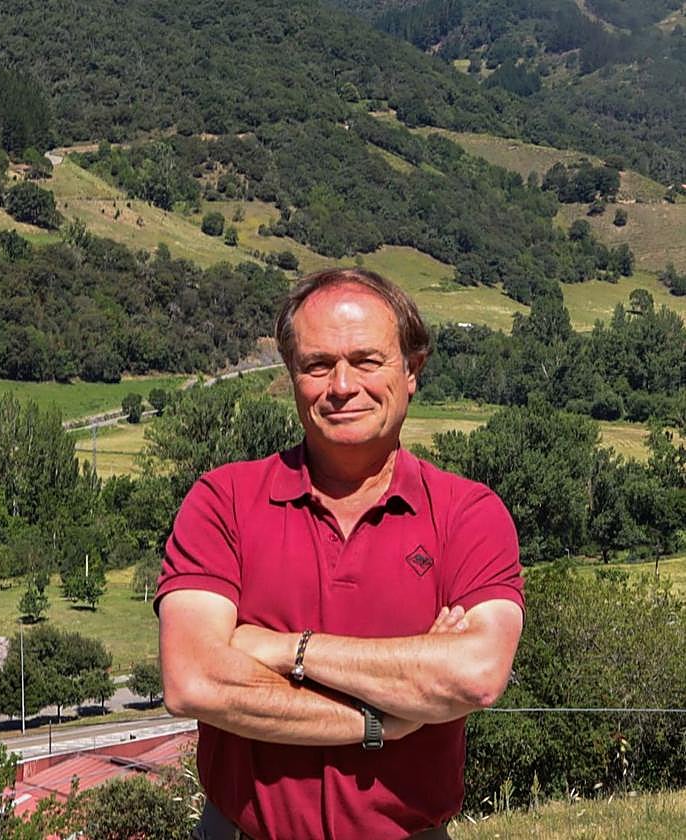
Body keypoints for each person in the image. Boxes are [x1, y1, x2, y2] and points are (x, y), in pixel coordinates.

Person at [156, 267, 524, 840]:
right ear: (292, 376)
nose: (343, 386)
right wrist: (380, 719)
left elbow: (474, 675)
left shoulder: (467, 514)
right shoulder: (222, 501)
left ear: (412, 370)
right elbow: (194, 680)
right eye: (318, 365)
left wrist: (283, 649)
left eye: (366, 361)